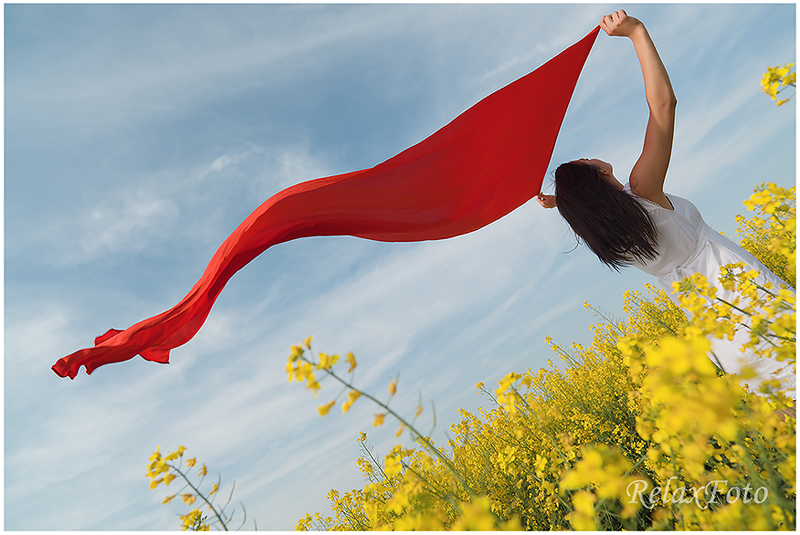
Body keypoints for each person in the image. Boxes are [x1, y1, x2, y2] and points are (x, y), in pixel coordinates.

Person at [537, 10, 796, 403]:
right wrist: (637, 33)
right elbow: (664, 106)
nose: (590, 156)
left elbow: (587, 210)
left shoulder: (608, 235)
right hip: (748, 298)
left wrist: (561, 202)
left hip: (719, 333)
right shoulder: (641, 193)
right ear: (594, 176)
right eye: (585, 161)